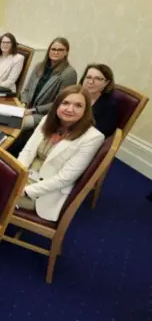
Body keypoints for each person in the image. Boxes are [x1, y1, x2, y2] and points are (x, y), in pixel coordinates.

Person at [16, 85, 104, 221]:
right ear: (57, 105)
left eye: (78, 105)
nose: (70, 109)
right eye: (66, 103)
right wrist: (16, 176)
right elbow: (27, 152)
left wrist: (26, 191)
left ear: (86, 110)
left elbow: (64, 178)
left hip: (45, 193)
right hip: (26, 175)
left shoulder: (92, 137)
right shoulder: (47, 120)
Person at [9, 37, 77, 156]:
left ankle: (8, 155)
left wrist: (33, 110)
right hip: (27, 108)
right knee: (2, 118)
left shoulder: (69, 73)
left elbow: (60, 102)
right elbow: (26, 90)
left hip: (46, 115)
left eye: (60, 50)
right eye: (53, 49)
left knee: (15, 123)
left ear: (66, 52)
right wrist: (24, 104)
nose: (55, 52)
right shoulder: (39, 66)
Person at [80, 63, 118, 137]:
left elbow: (99, 135)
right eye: (88, 77)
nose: (90, 82)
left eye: (97, 79)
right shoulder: (74, 94)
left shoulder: (109, 106)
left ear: (106, 83)